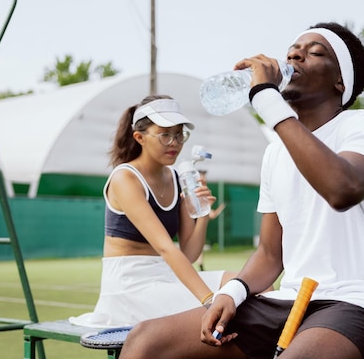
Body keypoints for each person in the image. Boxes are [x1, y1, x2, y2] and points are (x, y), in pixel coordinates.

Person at [109, 22, 364, 359]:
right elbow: (271, 254)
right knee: (144, 342)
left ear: (340, 83)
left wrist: (268, 101)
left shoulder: (363, 126)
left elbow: (343, 189)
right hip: (293, 303)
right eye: (292, 50)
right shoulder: (276, 152)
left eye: (315, 52)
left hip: (362, 307)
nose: (294, 55)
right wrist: (232, 291)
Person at [69, 95, 238, 327]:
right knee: (226, 302)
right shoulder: (125, 178)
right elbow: (165, 247)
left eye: (180, 135)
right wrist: (209, 301)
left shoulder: (177, 178)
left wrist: (202, 215)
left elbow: (188, 254)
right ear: (140, 137)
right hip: (129, 286)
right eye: (165, 134)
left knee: (248, 286)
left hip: (167, 276)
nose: (175, 143)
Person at [195, 169, 227, 271]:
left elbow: (211, 214)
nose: (203, 177)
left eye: (204, 175)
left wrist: (219, 207)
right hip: (193, 225)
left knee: (198, 249)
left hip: (199, 226)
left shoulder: (206, 192)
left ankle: (200, 267)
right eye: (201, 175)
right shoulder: (193, 190)